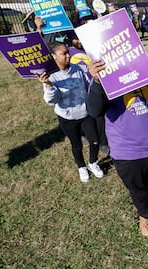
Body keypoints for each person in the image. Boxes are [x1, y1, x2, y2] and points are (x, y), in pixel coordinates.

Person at [86, 61, 148, 236]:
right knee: (136, 187)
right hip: (126, 151)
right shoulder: (103, 78)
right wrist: (97, 82)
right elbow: (94, 111)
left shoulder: (140, 70)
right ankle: (145, 215)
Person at [37, 42, 104, 183]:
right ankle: (81, 167)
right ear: (54, 56)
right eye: (64, 54)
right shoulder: (51, 76)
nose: (68, 56)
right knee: (76, 145)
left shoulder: (78, 69)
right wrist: (48, 86)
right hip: (67, 118)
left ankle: (92, 163)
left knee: (95, 140)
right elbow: (52, 100)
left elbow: (88, 86)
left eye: (68, 52)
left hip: (85, 114)